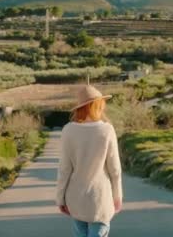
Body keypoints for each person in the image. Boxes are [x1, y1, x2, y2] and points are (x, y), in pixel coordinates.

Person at [56, 85, 123, 237]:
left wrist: (60, 198)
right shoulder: (107, 130)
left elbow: (64, 169)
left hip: (76, 199)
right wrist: (117, 196)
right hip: (100, 199)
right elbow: (115, 170)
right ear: (97, 105)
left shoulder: (68, 130)